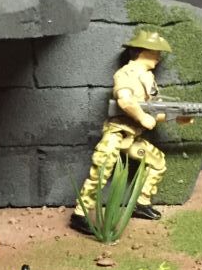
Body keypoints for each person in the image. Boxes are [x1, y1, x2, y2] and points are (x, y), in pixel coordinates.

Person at [72, 30, 181, 231]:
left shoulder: (148, 78)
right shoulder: (126, 74)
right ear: (143, 51)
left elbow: (154, 111)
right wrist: (142, 118)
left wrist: (179, 116)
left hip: (133, 138)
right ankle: (80, 214)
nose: (159, 56)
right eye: (156, 51)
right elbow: (125, 101)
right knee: (101, 170)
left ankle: (142, 202)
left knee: (157, 162)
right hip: (116, 134)